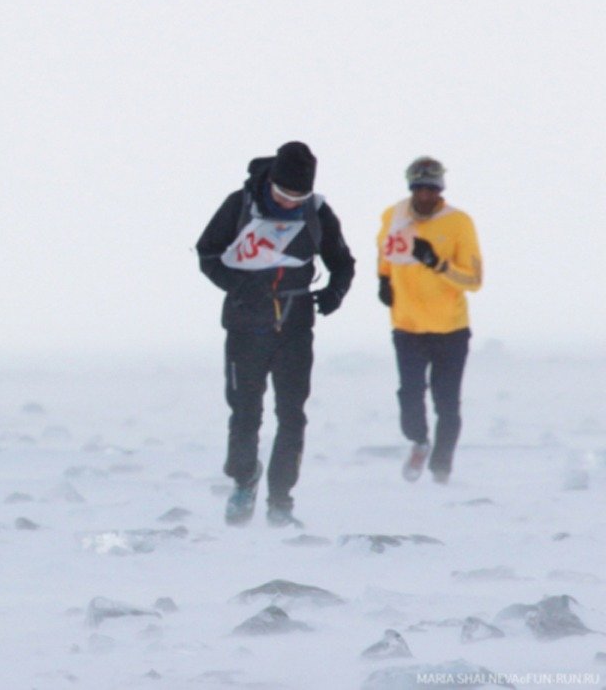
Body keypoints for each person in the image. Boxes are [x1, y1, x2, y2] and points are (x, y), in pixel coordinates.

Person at [196, 142, 355, 527]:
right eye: (282, 194)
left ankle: (281, 501)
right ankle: (243, 481)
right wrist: (238, 285)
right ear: (271, 183)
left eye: (297, 196)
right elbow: (207, 253)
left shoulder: (317, 212)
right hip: (245, 325)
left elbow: (342, 263)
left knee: (292, 415)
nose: (288, 203)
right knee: (246, 411)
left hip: (296, 327)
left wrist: (335, 293)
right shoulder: (240, 203)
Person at [376, 157, 481, 484]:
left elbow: (474, 280)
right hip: (407, 326)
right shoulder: (394, 216)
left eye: (431, 189)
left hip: (450, 329)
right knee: (409, 395)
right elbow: (384, 252)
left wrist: (437, 264)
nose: (424, 194)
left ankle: (441, 468)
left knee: (446, 403)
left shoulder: (458, 222)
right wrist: (383, 280)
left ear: (440, 190)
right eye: (419, 187)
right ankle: (419, 441)